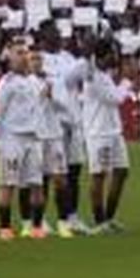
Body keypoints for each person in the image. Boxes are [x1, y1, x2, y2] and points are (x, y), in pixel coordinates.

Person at [0, 41, 49, 241]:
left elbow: (39, 109)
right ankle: (4, 228)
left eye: (25, 52)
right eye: (18, 53)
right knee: (8, 184)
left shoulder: (35, 81)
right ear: (10, 58)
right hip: (12, 139)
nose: (23, 56)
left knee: (37, 184)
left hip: (33, 139)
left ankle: (37, 226)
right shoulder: (6, 83)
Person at [37, 24, 89, 236]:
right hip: (51, 123)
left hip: (72, 121)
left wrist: (87, 54)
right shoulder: (37, 59)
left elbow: (79, 77)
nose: (59, 37)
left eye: (59, 33)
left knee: (74, 171)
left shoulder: (68, 57)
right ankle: (40, 219)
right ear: (44, 37)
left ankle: (71, 216)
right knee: (47, 174)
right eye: (54, 34)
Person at [81, 41, 135, 234]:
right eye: (112, 54)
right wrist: (127, 80)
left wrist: (124, 81)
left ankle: (109, 218)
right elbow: (116, 98)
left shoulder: (103, 75)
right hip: (99, 133)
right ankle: (99, 222)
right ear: (102, 57)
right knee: (99, 176)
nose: (115, 58)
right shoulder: (93, 77)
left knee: (122, 172)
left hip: (113, 131)